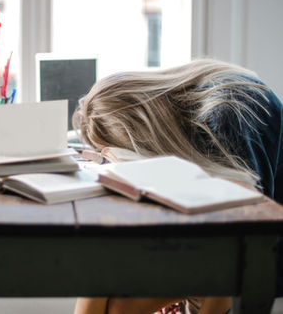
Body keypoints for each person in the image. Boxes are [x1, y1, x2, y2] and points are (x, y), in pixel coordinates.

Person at [71, 58, 283, 314]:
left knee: (114, 302)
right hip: (227, 247)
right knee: (102, 277)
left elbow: (239, 248)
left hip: (261, 252)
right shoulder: (196, 110)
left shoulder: (228, 110)